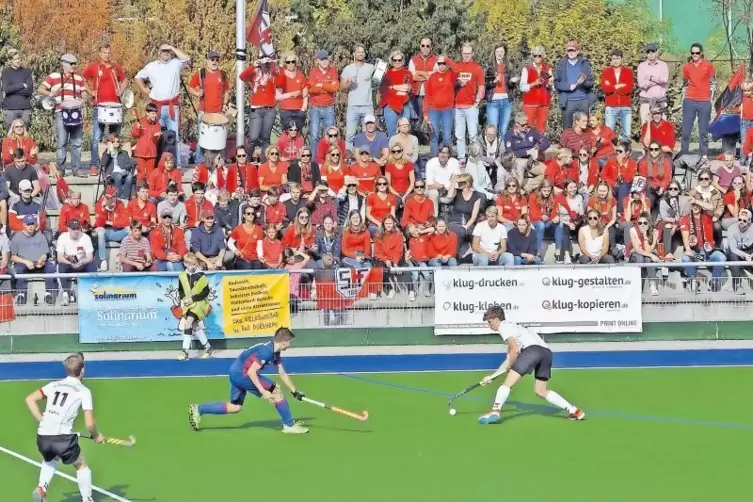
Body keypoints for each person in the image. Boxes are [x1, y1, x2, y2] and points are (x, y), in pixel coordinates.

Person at [188, 327, 309, 434]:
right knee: (276, 390)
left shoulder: (274, 351)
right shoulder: (267, 352)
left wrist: (294, 391)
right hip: (242, 374)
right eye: (290, 342)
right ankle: (289, 425)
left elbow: (281, 372)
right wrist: (263, 392)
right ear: (284, 342)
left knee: (235, 407)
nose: (290, 345)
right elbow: (251, 372)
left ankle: (198, 409)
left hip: (235, 372)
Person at [478, 306, 585, 424]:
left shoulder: (503, 327)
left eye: (490, 322)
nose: (489, 325)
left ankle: (495, 410)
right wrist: (492, 377)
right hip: (546, 353)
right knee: (541, 390)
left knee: (507, 384)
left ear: (496, 319)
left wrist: (511, 365)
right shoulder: (515, 328)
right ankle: (574, 410)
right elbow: (509, 359)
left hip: (531, 351)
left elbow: (515, 351)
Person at [25, 353, 104, 502]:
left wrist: (41, 419)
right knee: (81, 465)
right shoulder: (83, 391)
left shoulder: (53, 385)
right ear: (82, 371)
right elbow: (89, 424)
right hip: (62, 438)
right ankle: (87, 499)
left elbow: (30, 399)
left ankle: (42, 487)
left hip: (43, 436)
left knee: (51, 458)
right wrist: (97, 435)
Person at [39, 54, 88, 177]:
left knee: (76, 142)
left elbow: (84, 92)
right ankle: (61, 169)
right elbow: (41, 89)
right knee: (62, 142)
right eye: (71, 63)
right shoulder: (53, 76)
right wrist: (50, 93)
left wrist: (83, 100)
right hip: (61, 112)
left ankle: (76, 169)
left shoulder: (78, 77)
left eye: (75, 63)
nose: (74, 66)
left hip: (76, 111)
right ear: (64, 64)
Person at [82, 43, 129, 175]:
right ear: (100, 53)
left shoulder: (115, 67)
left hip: (115, 105)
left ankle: (115, 163)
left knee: (115, 137)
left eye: (109, 52)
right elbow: (82, 79)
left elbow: (125, 80)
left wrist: (121, 90)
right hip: (100, 105)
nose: (107, 55)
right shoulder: (94, 67)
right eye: (104, 52)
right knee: (97, 136)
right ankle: (95, 165)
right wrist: (91, 91)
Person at [135, 44, 191, 144]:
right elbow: (138, 77)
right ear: (158, 53)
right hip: (157, 108)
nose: (166, 53)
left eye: (168, 51)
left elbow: (187, 58)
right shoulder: (151, 66)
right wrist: (144, 89)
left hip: (172, 107)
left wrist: (171, 47)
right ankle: (157, 159)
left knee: (174, 137)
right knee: (156, 136)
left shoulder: (175, 63)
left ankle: (173, 159)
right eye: (163, 51)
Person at [177, 252, 214, 361]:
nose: (192, 267)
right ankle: (208, 348)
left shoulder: (201, 276)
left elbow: (205, 292)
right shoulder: (182, 276)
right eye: (189, 264)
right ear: (185, 264)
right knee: (194, 326)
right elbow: (181, 290)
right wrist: (184, 298)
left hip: (199, 303)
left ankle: (185, 351)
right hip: (189, 304)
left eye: (194, 265)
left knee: (187, 323)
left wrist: (193, 299)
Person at [341, 44, 376, 150]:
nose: (360, 53)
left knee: (368, 134)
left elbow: (378, 82)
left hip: (367, 106)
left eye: (362, 51)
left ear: (365, 54)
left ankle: (367, 156)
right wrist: (349, 83)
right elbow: (342, 88)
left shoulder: (371, 68)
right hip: (353, 106)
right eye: (358, 51)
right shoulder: (348, 69)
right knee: (350, 135)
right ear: (354, 54)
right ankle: (349, 155)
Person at [554, 41, 595, 129]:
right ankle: (567, 143)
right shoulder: (562, 64)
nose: (571, 52)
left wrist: (583, 82)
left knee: (585, 127)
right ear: (566, 51)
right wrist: (568, 87)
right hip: (568, 101)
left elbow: (591, 82)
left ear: (577, 51)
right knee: (567, 128)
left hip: (583, 100)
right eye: (569, 51)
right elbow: (557, 84)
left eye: (573, 50)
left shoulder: (584, 64)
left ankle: (585, 143)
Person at [1, 49, 34, 129]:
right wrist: (22, 85)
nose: (18, 61)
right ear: (10, 61)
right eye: (15, 59)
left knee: (24, 136)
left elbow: (29, 91)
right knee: (10, 136)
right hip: (10, 109)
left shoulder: (27, 72)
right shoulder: (6, 73)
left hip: (25, 108)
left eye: (19, 58)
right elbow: (7, 90)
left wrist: (13, 90)